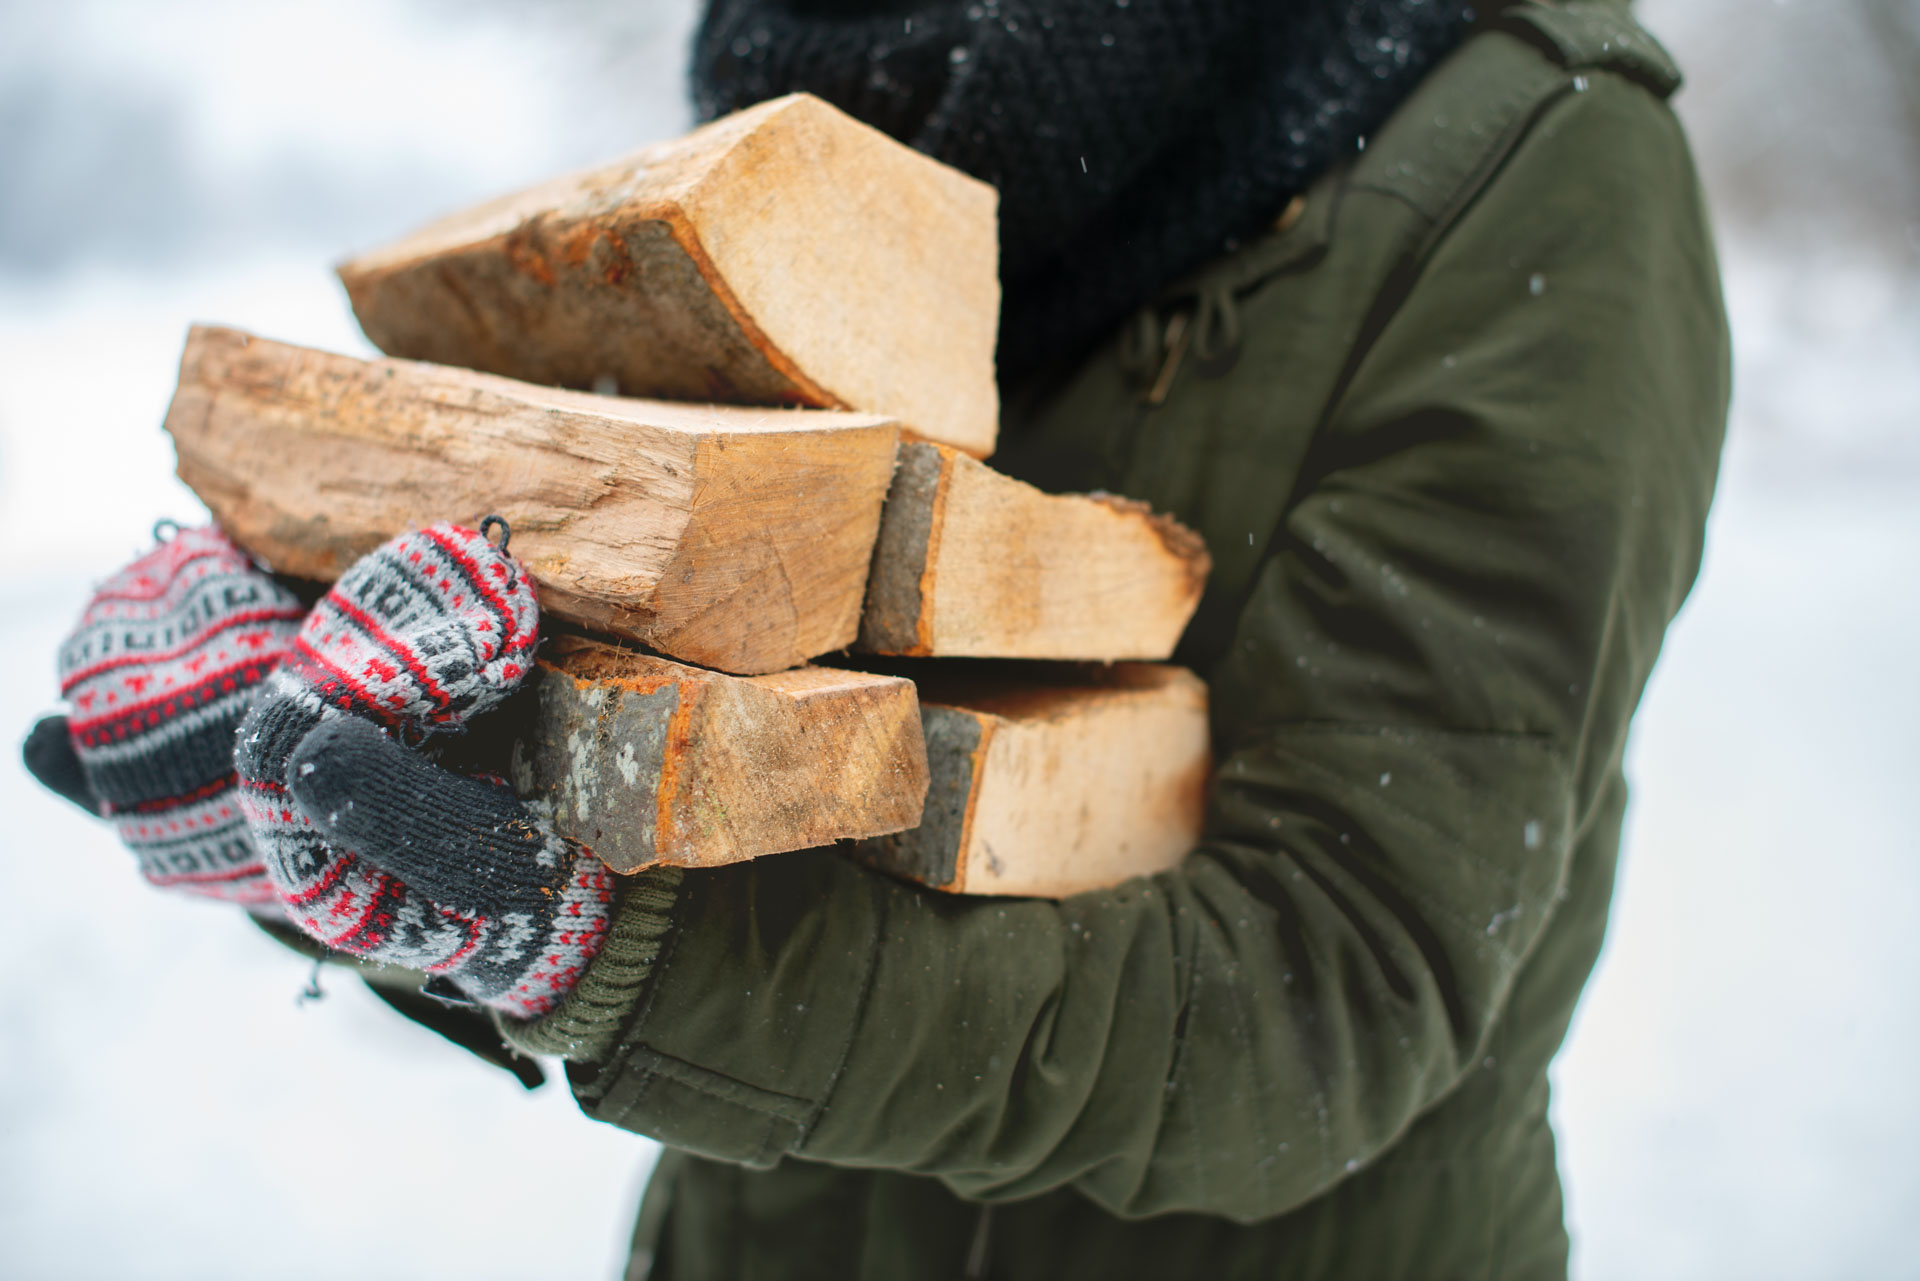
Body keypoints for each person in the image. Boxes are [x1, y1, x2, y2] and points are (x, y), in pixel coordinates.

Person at [24, 0, 1729, 1276]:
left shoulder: (1534, 154)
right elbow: (646, 725)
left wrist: (615, 945)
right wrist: (350, 791)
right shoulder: (818, 94)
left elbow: (1337, 982)